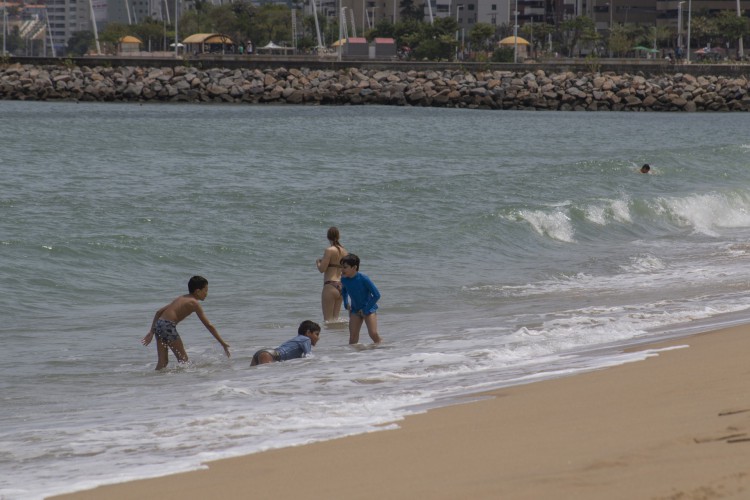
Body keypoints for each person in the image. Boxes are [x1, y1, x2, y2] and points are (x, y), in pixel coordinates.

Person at [141, 276, 230, 370]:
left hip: (159, 324)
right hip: (168, 326)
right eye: (205, 290)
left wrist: (152, 332)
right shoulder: (194, 303)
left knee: (163, 362)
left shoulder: (181, 298)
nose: (206, 294)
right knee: (184, 360)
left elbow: (158, 312)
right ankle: (183, 382)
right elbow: (208, 325)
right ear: (197, 291)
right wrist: (222, 343)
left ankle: (155, 382)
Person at [341, 253, 382, 345]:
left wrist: (365, 310)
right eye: (341, 267)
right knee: (353, 338)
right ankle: (353, 357)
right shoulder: (344, 279)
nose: (342, 270)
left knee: (373, 334)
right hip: (355, 310)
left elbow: (377, 295)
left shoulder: (363, 278)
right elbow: (344, 291)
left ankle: (382, 350)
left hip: (369, 309)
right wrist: (346, 302)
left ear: (354, 267)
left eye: (345, 267)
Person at [251, 320, 321, 365]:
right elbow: (309, 357)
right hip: (270, 355)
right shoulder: (306, 339)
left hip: (265, 353)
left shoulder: (297, 339)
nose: (318, 337)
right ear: (308, 332)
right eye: (316, 334)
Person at [316, 226, 348, 322]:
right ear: (338, 236)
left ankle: (329, 337)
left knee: (327, 320)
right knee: (335, 320)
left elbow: (322, 269)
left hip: (330, 285)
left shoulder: (329, 250)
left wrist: (318, 262)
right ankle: (335, 337)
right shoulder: (344, 251)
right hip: (341, 286)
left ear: (328, 237)